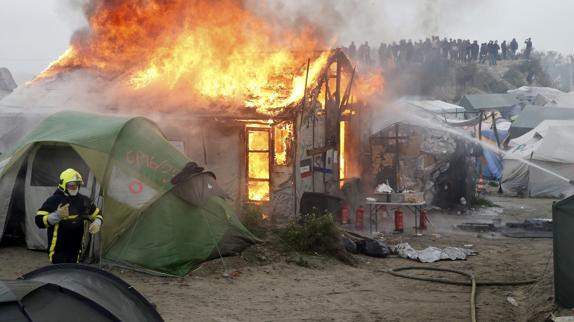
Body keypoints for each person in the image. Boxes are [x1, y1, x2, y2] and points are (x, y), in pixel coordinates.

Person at [35, 168, 103, 264]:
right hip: (58, 251)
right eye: (71, 185)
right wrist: (56, 216)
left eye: (77, 185)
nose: (75, 188)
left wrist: (97, 223)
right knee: (59, 275)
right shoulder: (53, 200)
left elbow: (98, 215)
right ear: (63, 184)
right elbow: (39, 221)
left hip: (76, 249)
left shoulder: (84, 201)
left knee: (72, 273)